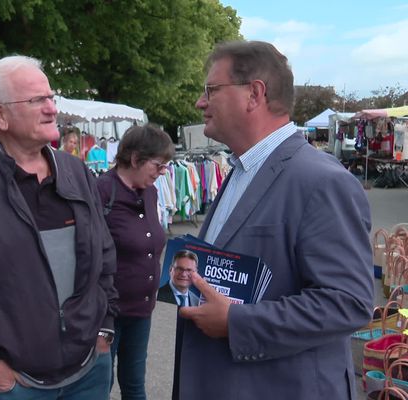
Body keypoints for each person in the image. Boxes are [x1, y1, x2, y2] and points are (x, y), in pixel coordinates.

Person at [177, 40, 374, 400]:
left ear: (254, 94)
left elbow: (348, 301)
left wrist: (237, 323)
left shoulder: (321, 181)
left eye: (211, 90)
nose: (200, 102)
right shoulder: (240, 170)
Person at [0, 55, 118, 400]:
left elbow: (104, 252)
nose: (51, 109)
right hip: (17, 381)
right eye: (37, 101)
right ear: (0, 115)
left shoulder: (76, 171)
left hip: (90, 368)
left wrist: (105, 325)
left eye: (51, 98)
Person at [96, 124, 174, 400]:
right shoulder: (102, 191)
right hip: (107, 314)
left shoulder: (150, 192)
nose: (163, 171)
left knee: (134, 385)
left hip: (141, 310)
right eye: (158, 164)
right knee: (99, 386)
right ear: (135, 158)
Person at [156, 250, 200, 400]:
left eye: (189, 270)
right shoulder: (157, 296)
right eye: (179, 268)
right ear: (170, 270)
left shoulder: (198, 301)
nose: (184, 273)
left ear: (196, 273)